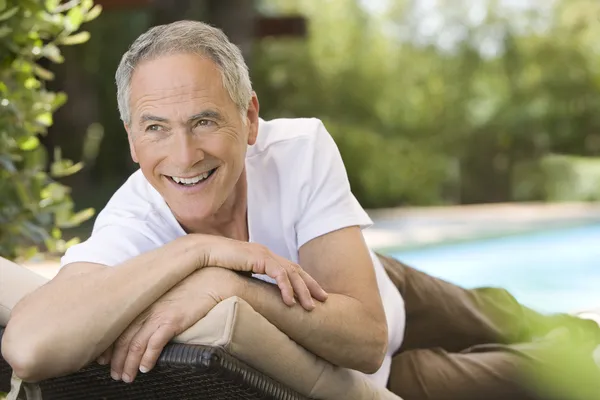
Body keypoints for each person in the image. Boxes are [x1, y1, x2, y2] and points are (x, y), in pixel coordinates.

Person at [2, 20, 599, 400]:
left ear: (250, 118)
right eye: (155, 128)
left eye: (205, 120)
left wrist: (221, 285)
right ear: (132, 141)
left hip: (380, 286)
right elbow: (28, 348)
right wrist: (205, 260)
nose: (183, 154)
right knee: (551, 369)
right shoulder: (133, 220)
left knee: (498, 311)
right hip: (378, 377)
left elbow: (365, 329)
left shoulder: (299, 147)